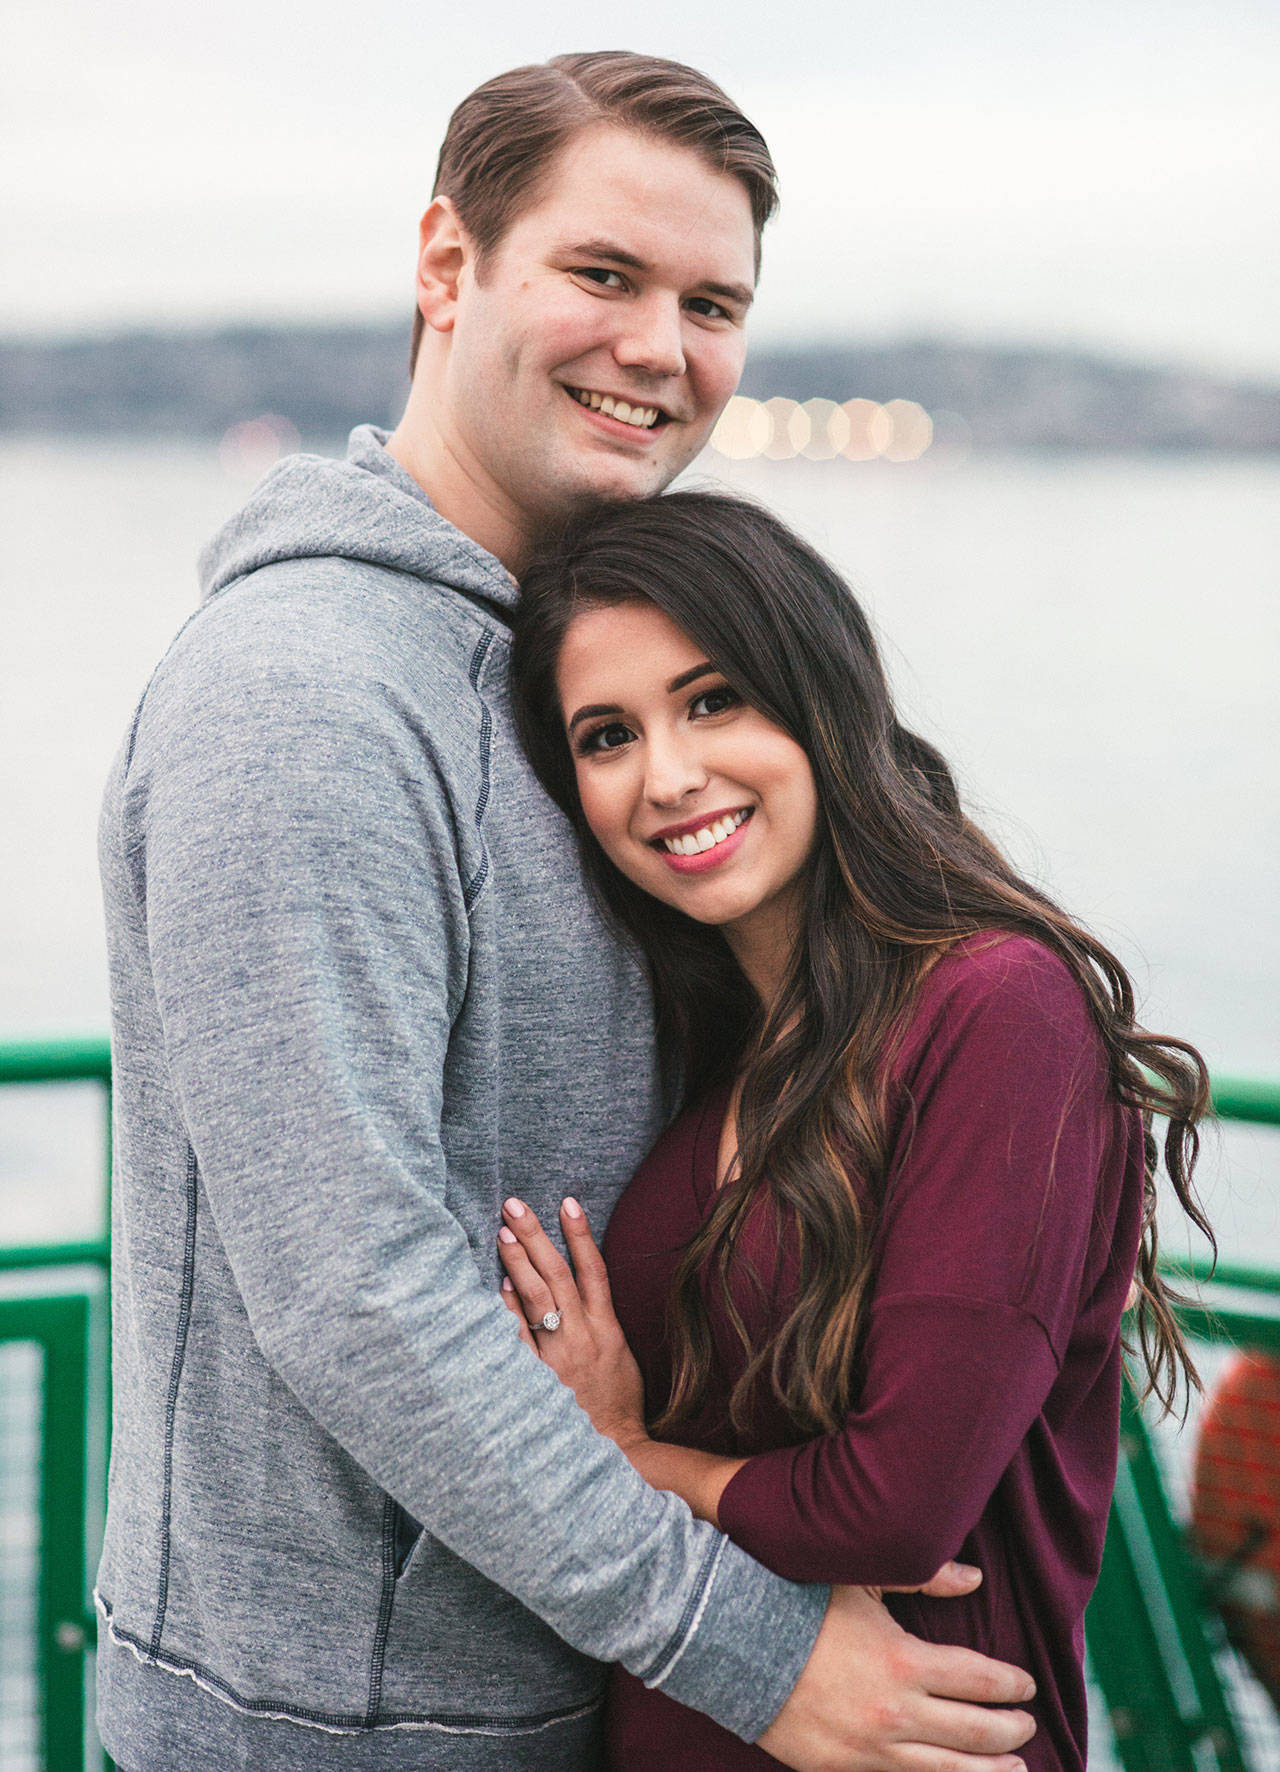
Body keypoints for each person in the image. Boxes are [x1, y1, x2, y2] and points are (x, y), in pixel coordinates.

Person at [94, 50, 1039, 1772]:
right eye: (604, 274)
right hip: (342, 1729)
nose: (661, 350)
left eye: (712, 302)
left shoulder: (577, 684)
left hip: (559, 1689)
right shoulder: (306, 693)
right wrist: (750, 1647)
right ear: (448, 268)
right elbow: (355, 1290)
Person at [498, 489, 1214, 1771]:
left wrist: (622, 1454)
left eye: (711, 699)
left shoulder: (997, 1011)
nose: (667, 775)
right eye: (607, 735)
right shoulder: (714, 1057)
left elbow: (895, 1504)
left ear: (817, 698)